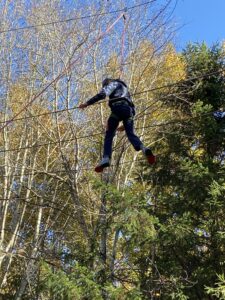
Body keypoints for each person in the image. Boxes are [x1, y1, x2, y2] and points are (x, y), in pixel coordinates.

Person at [79, 78, 156, 172]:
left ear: (107, 84)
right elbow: (132, 108)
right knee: (130, 133)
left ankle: (106, 158)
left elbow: (102, 95)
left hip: (117, 109)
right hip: (129, 111)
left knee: (109, 134)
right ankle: (143, 148)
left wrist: (87, 103)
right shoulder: (125, 89)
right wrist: (126, 123)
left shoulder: (113, 84)